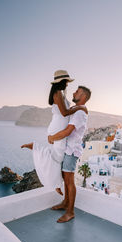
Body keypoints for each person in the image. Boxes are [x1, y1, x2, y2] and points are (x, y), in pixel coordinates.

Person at [21, 70, 87, 196]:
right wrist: (80, 107)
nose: (67, 84)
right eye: (66, 82)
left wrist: (76, 108)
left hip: (57, 126)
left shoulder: (60, 93)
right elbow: (65, 113)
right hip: (57, 128)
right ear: (62, 82)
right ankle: (36, 147)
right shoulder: (58, 94)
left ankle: (56, 184)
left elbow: (66, 111)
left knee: (58, 157)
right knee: (57, 157)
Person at [49, 86, 91, 223]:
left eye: (77, 92)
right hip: (68, 149)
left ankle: (70, 212)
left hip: (72, 150)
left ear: (83, 96)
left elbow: (68, 131)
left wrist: (53, 138)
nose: (74, 92)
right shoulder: (77, 110)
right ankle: (65, 202)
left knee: (69, 181)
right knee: (65, 178)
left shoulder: (79, 113)